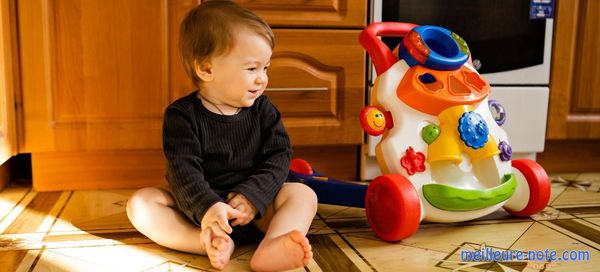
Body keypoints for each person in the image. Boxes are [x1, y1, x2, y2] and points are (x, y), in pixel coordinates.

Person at [126, 1, 318, 270]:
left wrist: (254, 195)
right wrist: (208, 209)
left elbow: (278, 156)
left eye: (266, 68)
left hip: (257, 210)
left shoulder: (264, 110)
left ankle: (273, 245)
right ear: (206, 69)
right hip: (201, 213)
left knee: (302, 194)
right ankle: (207, 242)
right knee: (141, 204)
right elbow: (183, 172)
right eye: (252, 68)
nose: (262, 78)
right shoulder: (181, 116)